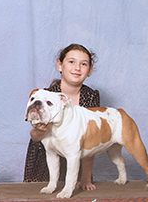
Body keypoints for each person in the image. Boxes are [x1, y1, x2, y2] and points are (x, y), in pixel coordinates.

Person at [24, 44, 100, 191]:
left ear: (89, 70)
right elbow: (34, 137)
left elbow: (92, 139)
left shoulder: (90, 96)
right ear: (60, 65)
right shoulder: (44, 95)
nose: (77, 68)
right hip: (43, 160)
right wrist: (41, 130)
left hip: (77, 159)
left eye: (83, 64)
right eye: (71, 62)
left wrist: (86, 178)